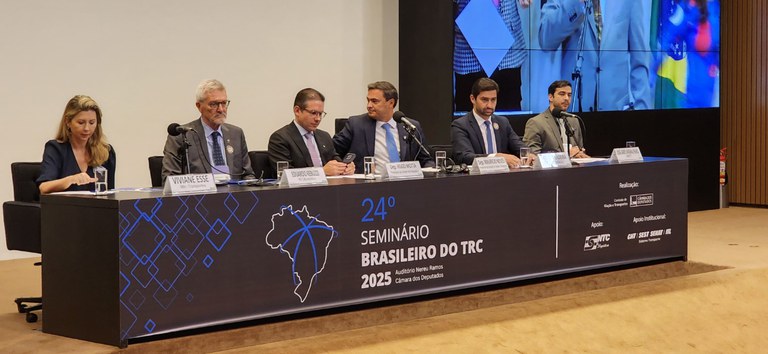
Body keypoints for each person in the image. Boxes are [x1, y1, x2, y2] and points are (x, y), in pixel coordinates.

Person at [538, 0, 652, 112]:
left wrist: (643, 113)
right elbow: (546, 39)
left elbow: (640, 60)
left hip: (615, 113)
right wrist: (576, 4)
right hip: (574, 112)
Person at [162, 79, 255, 183]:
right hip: (200, 197)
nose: (221, 109)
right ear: (199, 106)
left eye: (224, 103)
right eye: (214, 104)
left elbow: (248, 174)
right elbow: (169, 179)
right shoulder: (181, 136)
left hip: (233, 197)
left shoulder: (236, 134)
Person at [333, 81, 434, 173]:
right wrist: (345, 166)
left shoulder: (410, 126)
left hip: (405, 184)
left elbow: (426, 160)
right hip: (369, 186)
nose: (369, 105)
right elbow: (332, 152)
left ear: (391, 103)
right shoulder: (356, 124)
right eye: (368, 100)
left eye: (374, 101)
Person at [37, 95, 116, 194]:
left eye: (92, 123)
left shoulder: (106, 151)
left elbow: (110, 193)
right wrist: (71, 179)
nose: (87, 128)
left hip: (96, 208)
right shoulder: (56, 148)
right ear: (68, 122)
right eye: (81, 122)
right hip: (66, 208)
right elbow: (44, 187)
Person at [268, 88, 354, 176]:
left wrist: (345, 167)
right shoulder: (280, 138)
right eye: (313, 113)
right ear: (297, 111)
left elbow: (335, 160)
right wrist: (321, 172)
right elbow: (285, 174)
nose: (318, 119)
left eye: (320, 114)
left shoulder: (324, 136)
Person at [451, 78, 527, 167]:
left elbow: (519, 147)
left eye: (493, 100)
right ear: (473, 99)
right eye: (484, 100)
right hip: (475, 178)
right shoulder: (461, 125)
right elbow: (464, 157)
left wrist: (529, 154)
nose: (490, 105)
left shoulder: (503, 122)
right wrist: (495, 157)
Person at [523, 80, 589, 158]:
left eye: (569, 95)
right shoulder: (536, 123)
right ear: (550, 97)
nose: (566, 98)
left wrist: (581, 155)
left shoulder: (574, 120)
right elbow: (532, 157)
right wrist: (566, 155)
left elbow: (579, 150)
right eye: (562, 94)